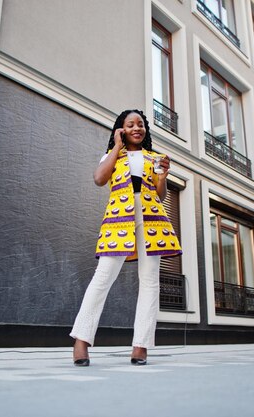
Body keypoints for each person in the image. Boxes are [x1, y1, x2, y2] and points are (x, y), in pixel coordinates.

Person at [70, 109, 182, 366]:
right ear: (120, 129)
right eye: (130, 124)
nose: (136, 128)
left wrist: (163, 177)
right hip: (119, 219)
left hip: (152, 219)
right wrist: (117, 146)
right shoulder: (112, 156)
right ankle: (81, 340)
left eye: (140, 124)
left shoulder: (154, 157)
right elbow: (99, 179)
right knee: (103, 277)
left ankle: (141, 345)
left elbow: (160, 195)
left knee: (150, 281)